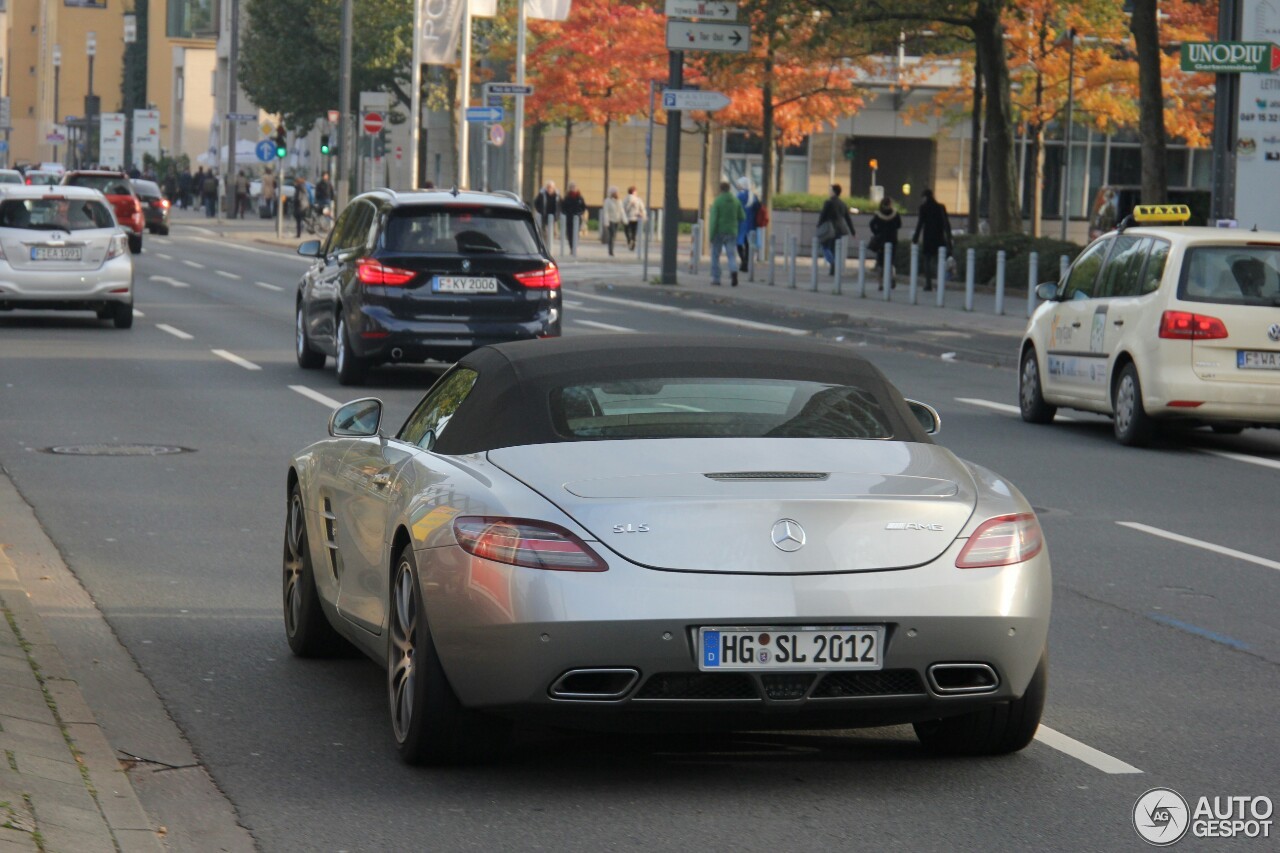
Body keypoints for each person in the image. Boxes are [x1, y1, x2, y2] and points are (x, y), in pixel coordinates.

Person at [912, 188, 954, 291]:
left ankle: (928, 284)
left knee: (928, 261)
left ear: (925, 197)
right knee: (939, 261)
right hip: (939, 237)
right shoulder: (940, 207)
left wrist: (915, 238)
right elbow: (946, 224)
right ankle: (940, 282)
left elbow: (920, 224)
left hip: (928, 238)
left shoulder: (923, 208)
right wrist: (949, 237)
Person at [708, 181, 745, 287]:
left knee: (715, 255)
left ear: (720, 189)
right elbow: (742, 216)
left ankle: (716, 279)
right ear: (729, 189)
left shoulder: (718, 201)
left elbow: (714, 219)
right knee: (731, 254)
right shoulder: (735, 201)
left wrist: (711, 235)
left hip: (719, 231)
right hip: (732, 231)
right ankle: (733, 271)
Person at [817, 184, 856, 275]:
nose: (829, 192)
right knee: (835, 248)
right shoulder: (842, 204)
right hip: (840, 229)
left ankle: (832, 264)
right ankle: (833, 267)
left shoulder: (828, 203)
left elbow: (823, 215)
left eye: (830, 190)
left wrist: (819, 225)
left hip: (830, 229)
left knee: (826, 247)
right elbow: (847, 218)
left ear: (834, 192)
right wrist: (852, 231)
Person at [868, 196, 903, 281]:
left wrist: (876, 232)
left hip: (881, 240)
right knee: (891, 260)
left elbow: (871, 224)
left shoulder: (878, 214)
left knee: (880, 262)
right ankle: (892, 276)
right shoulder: (895, 214)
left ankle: (880, 282)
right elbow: (899, 225)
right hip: (892, 239)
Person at [735, 177, 760, 272]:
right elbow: (758, 208)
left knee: (739, 243)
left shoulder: (739, 196)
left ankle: (743, 260)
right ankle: (747, 261)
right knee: (749, 244)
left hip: (741, 223)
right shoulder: (753, 196)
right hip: (751, 223)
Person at [561, 182, 587, 254]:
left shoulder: (580, 198)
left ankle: (575, 247)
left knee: (576, 233)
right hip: (569, 218)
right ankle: (571, 247)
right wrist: (566, 213)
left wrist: (580, 213)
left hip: (577, 218)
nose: (573, 189)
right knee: (569, 233)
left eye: (575, 187)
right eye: (572, 187)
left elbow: (583, 207)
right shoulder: (567, 197)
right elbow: (563, 207)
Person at [601, 186, 625, 256]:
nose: (616, 193)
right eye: (615, 192)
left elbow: (622, 211)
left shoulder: (619, 201)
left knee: (614, 235)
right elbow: (606, 212)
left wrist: (624, 219)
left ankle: (611, 249)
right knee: (612, 235)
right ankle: (611, 250)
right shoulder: (607, 201)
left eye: (617, 192)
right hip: (610, 220)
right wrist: (606, 222)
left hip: (617, 220)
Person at [622, 186, 646, 251]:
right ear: (633, 192)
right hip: (628, 218)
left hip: (633, 218)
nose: (636, 193)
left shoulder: (637, 199)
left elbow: (642, 208)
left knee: (631, 231)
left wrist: (642, 214)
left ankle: (632, 242)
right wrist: (630, 204)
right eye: (635, 191)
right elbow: (624, 209)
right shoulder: (627, 199)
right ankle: (631, 241)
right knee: (630, 231)